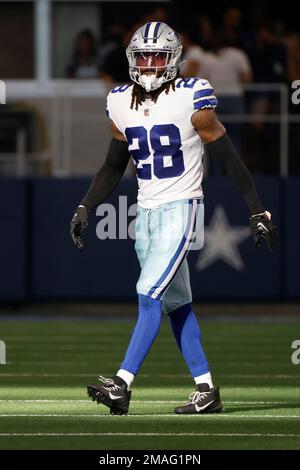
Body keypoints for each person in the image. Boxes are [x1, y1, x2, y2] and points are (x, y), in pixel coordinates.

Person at [70, 22, 277, 415]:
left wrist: (256, 207)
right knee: (176, 304)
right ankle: (206, 390)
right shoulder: (118, 101)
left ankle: (121, 384)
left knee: (148, 295)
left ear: (173, 60)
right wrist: (85, 205)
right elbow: (113, 166)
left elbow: (227, 156)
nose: (148, 66)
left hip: (181, 207)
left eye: (157, 57)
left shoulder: (191, 96)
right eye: (142, 57)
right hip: (145, 212)